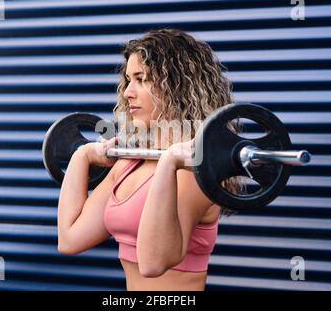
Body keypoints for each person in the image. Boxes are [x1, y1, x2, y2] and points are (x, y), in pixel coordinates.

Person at [57, 28, 243, 291]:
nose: (128, 92)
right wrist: (82, 156)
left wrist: (168, 163)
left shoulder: (193, 171)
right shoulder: (129, 164)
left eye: (141, 79)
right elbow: (69, 239)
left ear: (176, 85)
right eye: (128, 80)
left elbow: (153, 264)